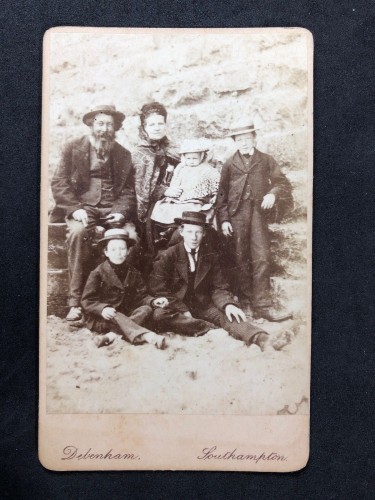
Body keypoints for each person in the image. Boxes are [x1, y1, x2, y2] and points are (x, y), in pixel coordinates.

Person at [150, 212, 291, 350]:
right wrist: (184, 310)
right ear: (181, 232)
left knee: (230, 314)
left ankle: (262, 339)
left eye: (198, 232)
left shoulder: (210, 255)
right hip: (177, 306)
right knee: (159, 315)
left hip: (202, 304)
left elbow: (219, 287)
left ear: (204, 233)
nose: (194, 237)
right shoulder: (168, 255)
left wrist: (228, 304)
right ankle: (205, 326)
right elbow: (159, 289)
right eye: (190, 232)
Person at [51, 104, 137, 321]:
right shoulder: (72, 148)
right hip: (83, 208)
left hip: (112, 210)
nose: (104, 128)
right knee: (78, 233)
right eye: (100, 123)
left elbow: (128, 191)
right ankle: (75, 302)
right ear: (91, 124)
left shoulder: (123, 154)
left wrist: (120, 213)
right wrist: (75, 208)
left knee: (132, 237)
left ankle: (124, 300)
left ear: (115, 127)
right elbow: (59, 182)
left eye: (109, 124)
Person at [216, 119, 293, 322]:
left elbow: (281, 182)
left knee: (262, 256)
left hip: (258, 214)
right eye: (239, 139)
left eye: (247, 138)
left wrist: (273, 194)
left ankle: (263, 306)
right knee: (240, 258)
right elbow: (221, 194)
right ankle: (247, 303)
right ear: (235, 141)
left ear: (254, 138)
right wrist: (224, 220)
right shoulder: (229, 163)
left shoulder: (266, 160)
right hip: (237, 214)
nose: (244, 142)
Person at [81, 229, 168, 349]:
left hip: (127, 316)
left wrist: (153, 301)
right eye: (113, 249)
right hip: (105, 318)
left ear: (128, 251)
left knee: (146, 309)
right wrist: (102, 309)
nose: (118, 253)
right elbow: (87, 300)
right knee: (115, 314)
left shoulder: (133, 272)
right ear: (106, 252)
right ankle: (149, 336)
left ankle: (111, 336)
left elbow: (142, 297)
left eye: (122, 249)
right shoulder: (97, 273)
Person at [132, 102, 180, 254]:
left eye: (160, 123)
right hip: (147, 207)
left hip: (175, 199)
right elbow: (141, 190)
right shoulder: (139, 154)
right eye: (152, 124)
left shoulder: (174, 149)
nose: (157, 127)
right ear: (144, 128)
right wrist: (164, 192)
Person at [150, 138, 220, 225]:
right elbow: (175, 181)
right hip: (178, 199)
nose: (191, 161)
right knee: (163, 208)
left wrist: (215, 195)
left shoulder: (207, 170)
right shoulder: (181, 168)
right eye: (188, 158)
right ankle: (169, 228)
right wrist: (173, 190)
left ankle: (178, 226)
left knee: (189, 211)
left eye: (194, 158)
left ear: (201, 156)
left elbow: (216, 185)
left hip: (195, 201)